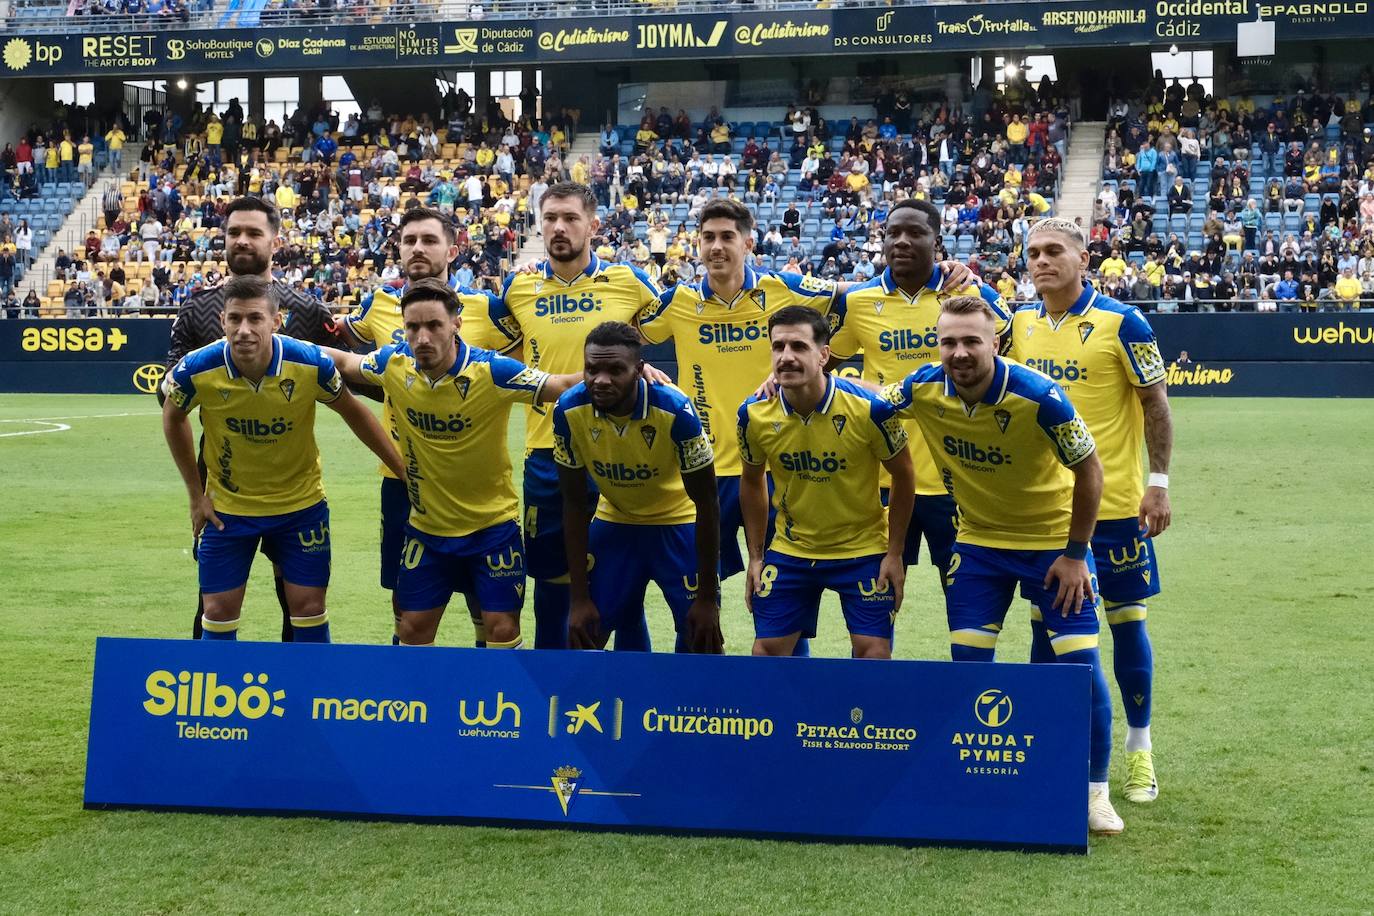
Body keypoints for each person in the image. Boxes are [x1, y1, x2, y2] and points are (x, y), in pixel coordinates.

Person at [882, 294, 1121, 835]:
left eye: (972, 341)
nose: (960, 352)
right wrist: (782, 385)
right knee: (968, 668)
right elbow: (868, 403)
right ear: (936, 344)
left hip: (1052, 547)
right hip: (979, 547)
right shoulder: (921, 386)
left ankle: (1094, 793)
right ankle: (977, 782)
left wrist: (1076, 554)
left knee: (1080, 669)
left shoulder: (1041, 397)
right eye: (949, 341)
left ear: (996, 342)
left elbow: (1091, 473)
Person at [1007, 216, 1174, 807]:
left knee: (1128, 622)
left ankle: (1139, 749)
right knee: (1046, 629)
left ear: (1085, 258)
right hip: (1046, 510)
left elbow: (1156, 404)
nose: (1042, 261)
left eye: (1055, 251)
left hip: (1117, 506)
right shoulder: (1019, 323)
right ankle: (1051, 750)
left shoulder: (1123, 323)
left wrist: (1158, 482)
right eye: (1033, 253)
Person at [328, 279, 582, 648]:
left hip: (492, 528)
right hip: (428, 530)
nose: (422, 338)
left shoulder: (493, 372)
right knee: (411, 629)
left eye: (434, 326)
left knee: (501, 631)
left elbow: (559, 384)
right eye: (413, 327)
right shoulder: (393, 363)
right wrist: (282, 346)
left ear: (456, 324)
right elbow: (346, 362)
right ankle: (418, 706)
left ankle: (495, 704)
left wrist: (630, 370)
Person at [160, 275, 405, 644]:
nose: (244, 330)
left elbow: (354, 412)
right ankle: (218, 697)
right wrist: (197, 495)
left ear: (276, 321)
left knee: (307, 608)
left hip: (300, 506)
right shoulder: (197, 368)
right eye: (235, 319)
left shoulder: (309, 363)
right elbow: (172, 415)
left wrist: (403, 472)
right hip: (228, 510)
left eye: (255, 319)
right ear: (222, 321)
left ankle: (310, 694)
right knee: (218, 610)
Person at [485, 182, 665, 650]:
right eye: (549, 219)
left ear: (594, 225)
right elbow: (498, 347)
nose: (559, 228)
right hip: (546, 453)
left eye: (569, 218)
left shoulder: (630, 282)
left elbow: (677, 322)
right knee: (550, 585)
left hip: (618, 451)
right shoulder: (518, 287)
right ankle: (554, 695)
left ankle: (630, 696)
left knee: (623, 589)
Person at [164, 195, 341, 641]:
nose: (242, 241)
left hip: (293, 488)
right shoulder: (198, 309)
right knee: (212, 602)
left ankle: (296, 700)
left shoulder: (307, 310)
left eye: (253, 233)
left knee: (298, 602)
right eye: (234, 233)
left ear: (275, 242)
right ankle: (207, 701)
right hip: (221, 488)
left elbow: (354, 375)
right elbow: (170, 398)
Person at [336, 206, 510, 646]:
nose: (418, 248)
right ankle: (410, 695)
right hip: (401, 477)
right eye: (409, 239)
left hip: (474, 486)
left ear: (453, 248)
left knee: (484, 603)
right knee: (405, 599)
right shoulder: (378, 305)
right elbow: (351, 352)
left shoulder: (486, 310)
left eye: (429, 240)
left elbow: (536, 356)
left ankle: (484, 689)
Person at [829, 199, 1011, 587]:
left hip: (959, 474)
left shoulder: (968, 296)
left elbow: (1011, 357)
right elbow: (823, 360)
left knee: (967, 601)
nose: (902, 242)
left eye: (915, 233)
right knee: (877, 603)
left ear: (938, 241)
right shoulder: (858, 302)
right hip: (884, 475)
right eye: (893, 233)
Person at [738, 305, 913, 659]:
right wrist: (756, 558)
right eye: (778, 347)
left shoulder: (871, 409)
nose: (786, 357)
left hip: (862, 547)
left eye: (798, 347)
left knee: (873, 653)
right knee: (765, 653)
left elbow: (905, 475)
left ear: (824, 355)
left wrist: (895, 553)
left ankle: (860, 717)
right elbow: (752, 482)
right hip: (792, 549)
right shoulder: (753, 414)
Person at [553, 321, 723, 653]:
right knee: (583, 634)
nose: (601, 380)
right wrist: (578, 598)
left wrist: (706, 598)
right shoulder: (568, 411)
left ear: (639, 370)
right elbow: (573, 505)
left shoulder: (676, 410)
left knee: (702, 639)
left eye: (616, 370)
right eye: (592, 369)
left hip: (677, 522)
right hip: (616, 522)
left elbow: (707, 503)